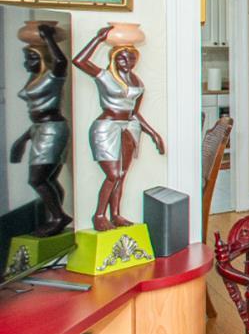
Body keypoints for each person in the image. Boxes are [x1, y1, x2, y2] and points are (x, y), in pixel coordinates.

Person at [72, 27, 165, 231]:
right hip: (106, 127)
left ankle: (115, 215)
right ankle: (98, 215)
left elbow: (134, 113)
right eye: (123, 58)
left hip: (128, 128)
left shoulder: (137, 82)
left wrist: (153, 134)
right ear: (114, 58)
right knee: (112, 174)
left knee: (121, 174)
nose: (128, 62)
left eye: (132, 58)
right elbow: (79, 61)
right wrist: (98, 38)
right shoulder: (105, 76)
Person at [9, 23, 71, 235]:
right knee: (49, 178)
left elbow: (62, 61)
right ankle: (54, 217)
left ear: (44, 58)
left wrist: (48, 36)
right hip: (40, 129)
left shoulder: (52, 77)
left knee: (37, 179)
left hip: (52, 130)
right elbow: (36, 116)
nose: (27, 64)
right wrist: (23, 139)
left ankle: (58, 216)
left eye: (32, 58)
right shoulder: (34, 79)